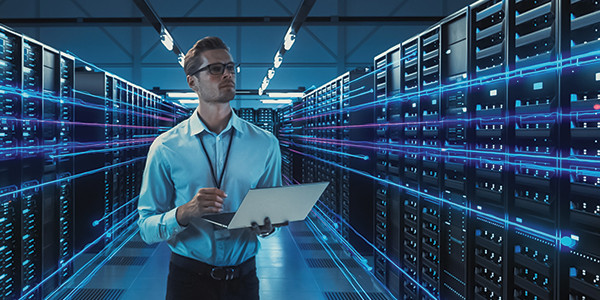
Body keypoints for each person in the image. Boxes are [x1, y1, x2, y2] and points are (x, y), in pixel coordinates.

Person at [137, 36, 283, 300]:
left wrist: (268, 225)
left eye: (230, 67)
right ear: (192, 81)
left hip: (244, 281)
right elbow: (146, 226)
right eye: (216, 69)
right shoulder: (166, 147)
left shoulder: (265, 143)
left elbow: (272, 210)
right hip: (188, 282)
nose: (227, 74)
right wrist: (184, 212)